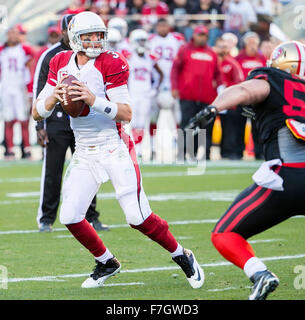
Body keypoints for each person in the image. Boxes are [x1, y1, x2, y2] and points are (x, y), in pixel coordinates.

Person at [32, 11, 204, 289]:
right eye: (88, 36)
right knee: (70, 216)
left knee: (137, 217)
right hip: (84, 151)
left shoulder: (112, 61)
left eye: (99, 34)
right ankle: (106, 262)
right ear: (75, 37)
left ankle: (182, 254)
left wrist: (92, 99)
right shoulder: (60, 61)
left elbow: (126, 113)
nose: (95, 40)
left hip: (114, 146)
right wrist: (54, 96)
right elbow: (36, 113)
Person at [187, 40, 305, 300]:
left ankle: (260, 274)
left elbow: (245, 89)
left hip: (285, 177)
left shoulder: (273, 79)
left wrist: (213, 108)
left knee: (225, 234)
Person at [33, 14, 108, 232]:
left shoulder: (92, 55)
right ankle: (46, 218)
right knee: (53, 171)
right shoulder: (51, 56)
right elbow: (40, 90)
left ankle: (92, 216)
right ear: (64, 31)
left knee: (90, 170)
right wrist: (39, 125)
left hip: (85, 120)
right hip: (57, 121)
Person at [170, 25, 222, 160]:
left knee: (205, 127)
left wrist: (221, 90)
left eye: (204, 35)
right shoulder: (184, 50)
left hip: (207, 97)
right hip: (188, 95)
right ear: (194, 35)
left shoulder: (211, 53)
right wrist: (174, 87)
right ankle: (182, 153)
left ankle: (205, 154)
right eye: (200, 35)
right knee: (186, 125)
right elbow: (175, 69)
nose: (202, 38)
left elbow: (218, 74)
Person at [127, 28, 163, 160]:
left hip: (146, 94)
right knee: (135, 122)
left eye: (144, 40)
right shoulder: (129, 57)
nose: (142, 43)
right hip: (133, 94)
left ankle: (141, 149)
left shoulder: (150, 58)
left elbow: (160, 74)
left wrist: (155, 88)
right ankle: (137, 149)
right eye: (140, 41)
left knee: (142, 122)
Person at [0, 26, 34, 160]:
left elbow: (31, 64)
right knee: (8, 119)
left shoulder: (25, 49)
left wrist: (30, 89)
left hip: (20, 88)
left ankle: (26, 149)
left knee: (23, 119)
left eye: (15, 33)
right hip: (6, 88)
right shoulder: (2, 50)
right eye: (10, 33)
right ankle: (10, 149)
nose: (13, 36)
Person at [235, 31, 266, 159]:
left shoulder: (262, 59)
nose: (253, 45)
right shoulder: (238, 59)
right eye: (250, 42)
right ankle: (237, 152)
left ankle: (259, 152)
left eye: (255, 43)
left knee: (257, 127)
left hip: (257, 99)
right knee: (239, 126)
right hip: (242, 98)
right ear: (245, 44)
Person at [214, 37, 244, 159]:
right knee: (208, 126)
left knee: (228, 127)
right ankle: (202, 151)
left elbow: (239, 81)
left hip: (227, 100)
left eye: (225, 47)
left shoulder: (232, 63)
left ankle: (227, 152)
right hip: (210, 98)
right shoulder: (212, 61)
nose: (222, 49)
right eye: (220, 46)